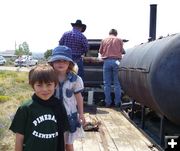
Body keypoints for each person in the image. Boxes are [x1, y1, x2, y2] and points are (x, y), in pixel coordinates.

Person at [9, 64, 69, 151]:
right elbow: (19, 138)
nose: (44, 89)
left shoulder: (59, 106)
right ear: (32, 85)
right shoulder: (25, 108)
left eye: (49, 84)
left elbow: (63, 133)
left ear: (55, 85)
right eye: (39, 85)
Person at [48, 45, 86, 151]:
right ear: (52, 63)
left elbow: (79, 98)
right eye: (57, 61)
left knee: (68, 144)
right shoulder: (48, 77)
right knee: (55, 143)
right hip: (53, 116)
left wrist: (81, 114)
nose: (61, 63)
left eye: (64, 61)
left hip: (69, 116)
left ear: (70, 63)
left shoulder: (76, 79)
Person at [99, 29, 125, 108]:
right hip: (117, 61)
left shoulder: (104, 40)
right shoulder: (119, 40)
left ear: (109, 33)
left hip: (107, 61)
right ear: (116, 34)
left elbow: (100, 51)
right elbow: (122, 51)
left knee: (107, 84)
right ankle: (117, 103)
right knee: (117, 84)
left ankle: (108, 102)